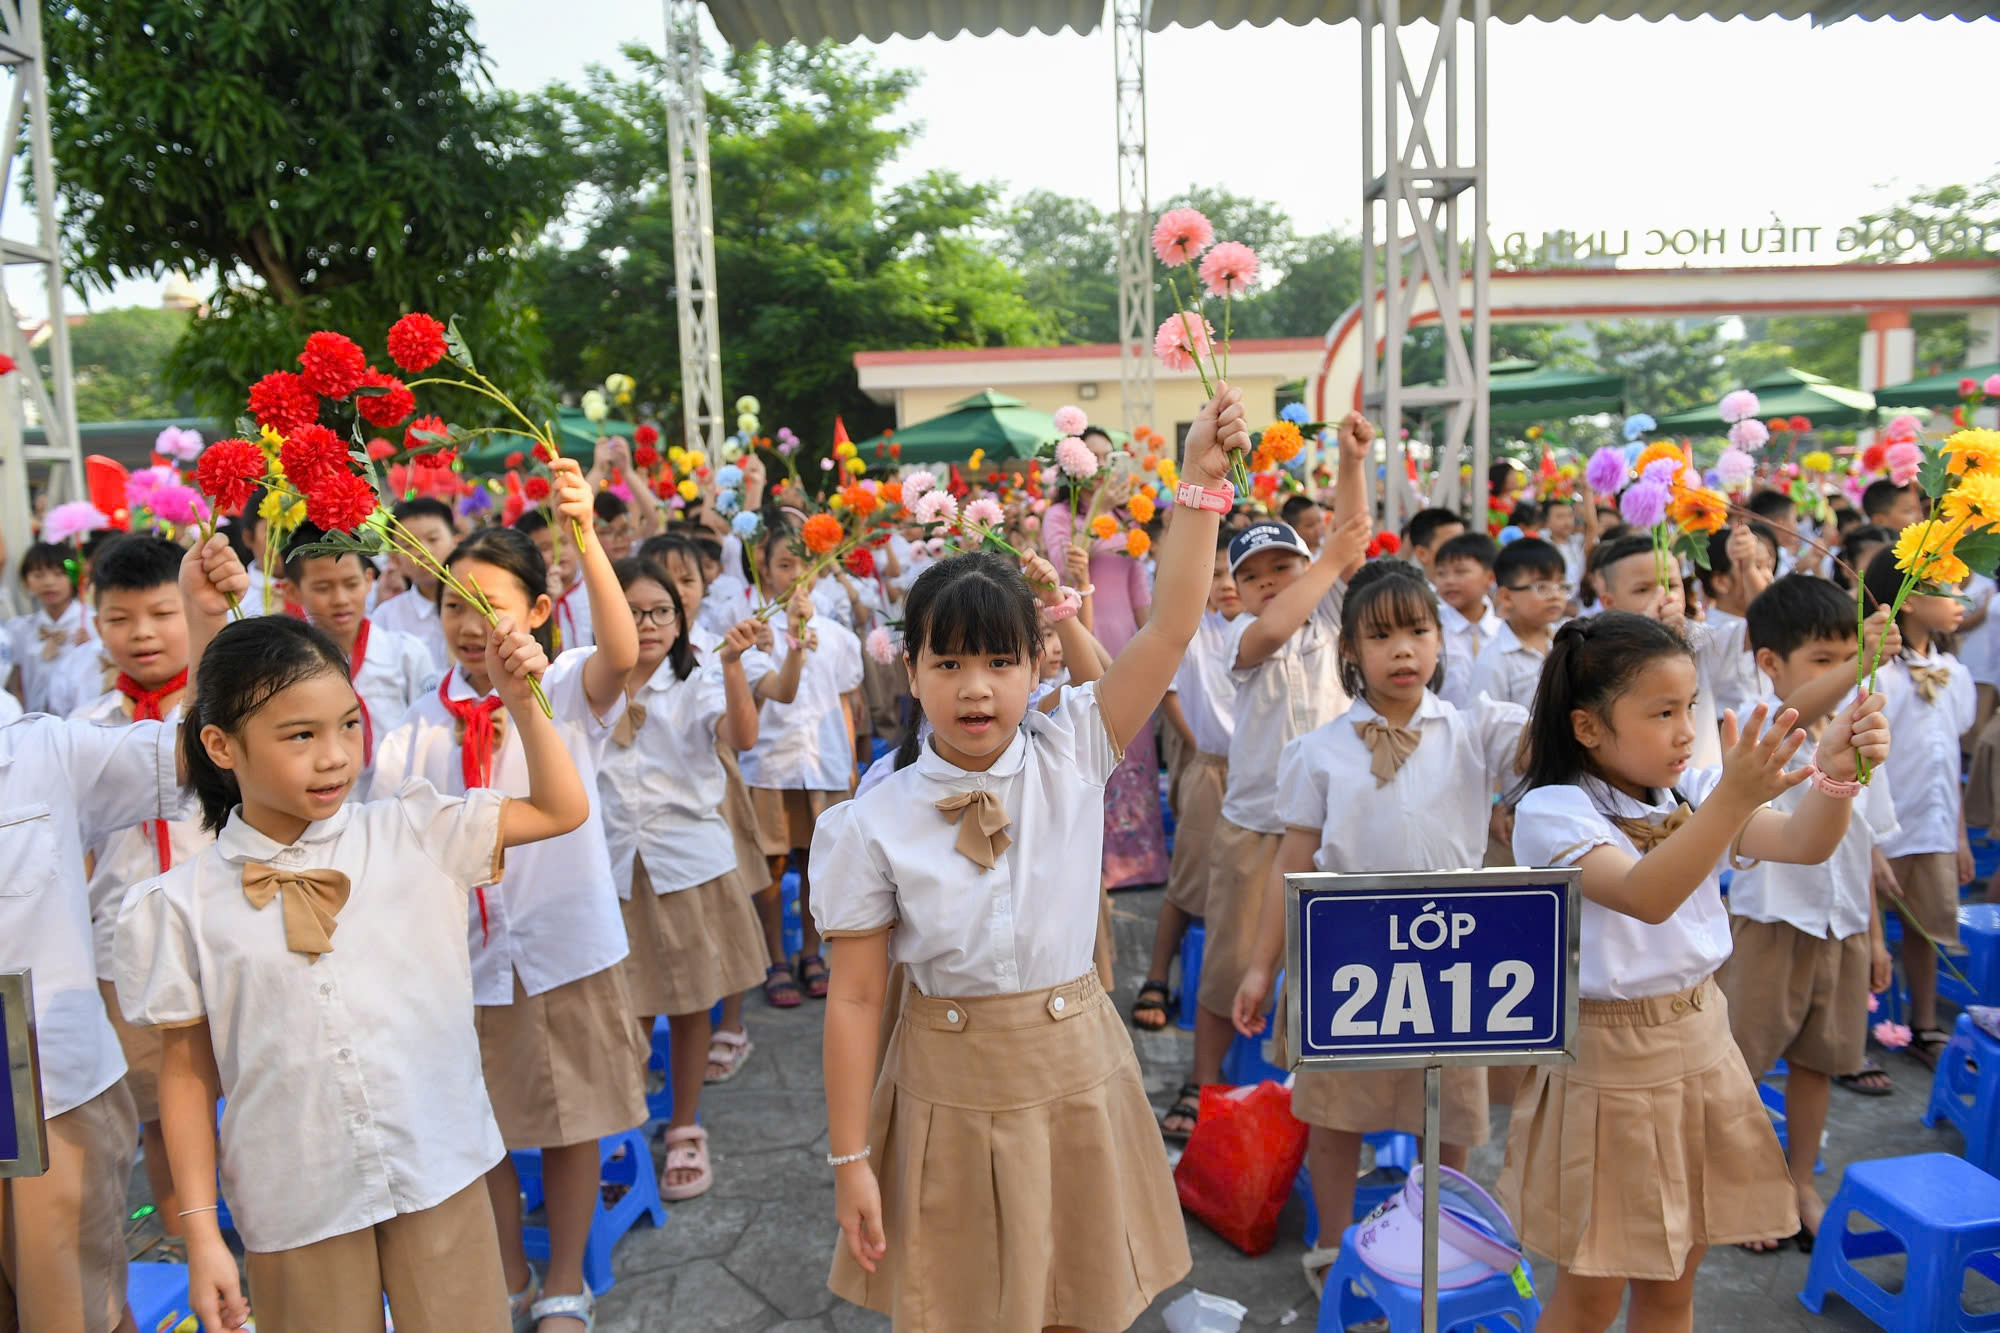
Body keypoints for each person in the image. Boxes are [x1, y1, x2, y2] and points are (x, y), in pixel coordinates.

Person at [810, 384, 1252, 1332]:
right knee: (964, 1308)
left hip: (1077, 1072)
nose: (976, 689)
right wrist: (851, 1160)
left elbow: (1172, 624)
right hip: (944, 1087)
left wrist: (1201, 488)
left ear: (1039, 664)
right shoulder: (872, 819)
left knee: (1080, 1302)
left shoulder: (1075, 747)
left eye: (1000, 662)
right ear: (912, 667)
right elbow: (852, 997)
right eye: (949, 664)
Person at [119, 588, 584, 1333]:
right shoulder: (180, 903)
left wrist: (521, 700)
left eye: (345, 725)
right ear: (220, 746)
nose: (334, 755)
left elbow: (562, 808)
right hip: (295, 1191)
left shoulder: (416, 829)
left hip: (439, 1161)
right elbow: (187, 1069)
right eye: (299, 735)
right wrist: (201, 1231)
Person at [1501, 612, 1889, 1333]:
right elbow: (1648, 894)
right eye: (1661, 712)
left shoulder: (1694, 790)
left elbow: (1803, 842)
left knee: (1675, 1287)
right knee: (1590, 1296)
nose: (1685, 729)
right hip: (1609, 1062)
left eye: (1690, 708)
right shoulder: (1552, 811)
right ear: (1587, 727)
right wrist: (1734, 798)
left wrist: (1837, 777)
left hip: (1704, 1042)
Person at [368, 458, 643, 1333]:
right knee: (478, 1125)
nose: (471, 623)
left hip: (560, 944)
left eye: (491, 604)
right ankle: (510, 1271)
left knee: (570, 1119)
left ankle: (566, 1276)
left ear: (535, 610)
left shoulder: (564, 690)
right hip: (460, 964)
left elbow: (624, 650)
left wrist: (587, 536)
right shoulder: (414, 724)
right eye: (454, 605)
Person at [1232, 561, 1525, 1291]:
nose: (1403, 649)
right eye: (1382, 634)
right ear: (1350, 650)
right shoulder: (1320, 751)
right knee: (1337, 1114)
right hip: (1350, 962)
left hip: (1453, 963)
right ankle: (1335, 1247)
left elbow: (1541, 742)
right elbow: (1289, 867)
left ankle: (1440, 1234)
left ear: (1438, 642)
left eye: (1418, 631)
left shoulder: (1473, 728)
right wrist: (1261, 965)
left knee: (1449, 1114)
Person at [0, 532, 239, 1333]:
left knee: (67, 1305)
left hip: (42, 1080)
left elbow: (197, 758)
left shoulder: (41, 748)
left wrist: (207, 623)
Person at [1160, 414, 1372, 1141]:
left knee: (1331, 968)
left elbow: (1351, 540)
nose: (1267, 583)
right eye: (1249, 576)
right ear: (1237, 592)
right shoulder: (1242, 641)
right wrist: (1324, 558)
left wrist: (1350, 462)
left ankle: (1318, 1098)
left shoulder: (1334, 619)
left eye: (1282, 566)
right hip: (1255, 825)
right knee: (1226, 969)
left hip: (1336, 825)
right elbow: (1283, 618)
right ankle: (1206, 1084)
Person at [1721, 576, 1900, 1253]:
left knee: (1819, 1063)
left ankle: (1800, 1182)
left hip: (1846, 923)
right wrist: (1864, 663)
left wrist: (1877, 935)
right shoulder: (1758, 726)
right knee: (1744, 1064)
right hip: (1773, 924)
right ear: (1770, 663)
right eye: (1824, 659)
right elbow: (1792, 710)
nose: (1844, 672)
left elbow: (1866, 847)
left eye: (1848, 655)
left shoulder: (1860, 727)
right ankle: (1742, 1187)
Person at [598, 556, 770, 1200]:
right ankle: (625, 1120)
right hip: (611, 865)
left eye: (660, 612)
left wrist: (730, 668)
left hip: (685, 860)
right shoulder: (582, 681)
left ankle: (684, 1124)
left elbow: (743, 737)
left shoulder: (696, 679)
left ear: (680, 619)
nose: (646, 624)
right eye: (633, 610)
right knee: (627, 1003)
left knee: (693, 999)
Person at [69, 534, 213, 1265]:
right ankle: (187, 1237)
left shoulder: (225, 708)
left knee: (256, 1094)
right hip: (124, 948)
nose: (143, 634)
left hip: (224, 932)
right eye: (121, 619)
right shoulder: (83, 729)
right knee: (158, 1108)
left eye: (161, 612)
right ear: (97, 624)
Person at [637, 531, 802, 1048]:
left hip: (716, 787)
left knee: (725, 910)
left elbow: (768, 702)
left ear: (704, 583)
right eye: (666, 579)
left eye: (687, 579)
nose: (679, 591)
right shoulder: (617, 655)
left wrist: (779, 649)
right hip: (647, 813)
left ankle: (730, 1023)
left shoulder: (717, 641)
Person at [739, 514, 864, 1003]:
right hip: (769, 764)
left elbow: (848, 705)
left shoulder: (836, 636)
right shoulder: (755, 632)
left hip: (826, 762)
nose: (794, 576)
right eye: (783, 565)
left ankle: (813, 953)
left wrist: (852, 761)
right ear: (765, 571)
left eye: (802, 565)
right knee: (770, 865)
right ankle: (774, 958)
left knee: (820, 864)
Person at [1862, 545, 1976, 1071]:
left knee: (1925, 930)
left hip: (1932, 826)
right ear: (1907, 601)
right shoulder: (1876, 676)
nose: (1959, 598)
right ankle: (1851, 1033)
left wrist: (1959, 837)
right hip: (1878, 828)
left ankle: (1924, 1023)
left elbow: (1949, 761)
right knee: (1862, 933)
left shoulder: (1954, 672)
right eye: (1945, 586)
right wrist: (1869, 841)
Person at [1132, 530, 1242, 1031]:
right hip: (1212, 765)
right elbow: (1170, 694)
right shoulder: (1196, 631)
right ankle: (1157, 975)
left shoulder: (1277, 631)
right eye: (1216, 573)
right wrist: (1197, 749)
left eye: (1236, 572)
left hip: (1267, 776)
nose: (1227, 584)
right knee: (1189, 879)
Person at [281, 525, 435, 784]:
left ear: (368, 580)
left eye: (351, 584)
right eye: (322, 588)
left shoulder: (406, 653)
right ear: (293, 592)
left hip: (398, 802)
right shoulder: (285, 665)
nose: (340, 599)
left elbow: (429, 733)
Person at [1468, 535, 1567, 710]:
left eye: (1561, 585)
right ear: (1506, 597)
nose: (1556, 595)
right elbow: (1485, 724)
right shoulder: (1494, 659)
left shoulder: (1566, 642)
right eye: (1542, 587)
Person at [370, 496, 457, 670]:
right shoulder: (385, 618)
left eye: (433, 539)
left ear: (456, 542)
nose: (423, 551)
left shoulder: (485, 605)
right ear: (395, 559)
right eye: (409, 545)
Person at [9, 539, 95, 711]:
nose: (49, 582)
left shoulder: (92, 622)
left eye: (58, 574)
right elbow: (17, 684)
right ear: (26, 581)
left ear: (74, 578)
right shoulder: (20, 629)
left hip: (80, 719)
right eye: (38, 575)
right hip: (34, 721)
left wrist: (89, 648)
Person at [1432, 530, 1501, 709]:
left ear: (1490, 577)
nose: (1449, 581)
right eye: (1441, 573)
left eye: (1460, 572)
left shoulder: (1503, 631)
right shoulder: (1432, 628)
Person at [516, 508, 591, 652]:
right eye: (545, 548)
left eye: (564, 542)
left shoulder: (593, 588)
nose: (558, 552)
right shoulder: (528, 598)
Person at [1402, 506, 1466, 582]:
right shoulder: (1411, 593)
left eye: (1464, 543)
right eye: (1450, 545)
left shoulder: (1477, 591)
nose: (1462, 551)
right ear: (1422, 554)